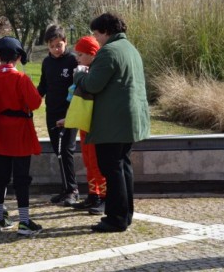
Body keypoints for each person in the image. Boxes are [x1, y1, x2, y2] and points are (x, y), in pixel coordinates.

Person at [74, 13, 150, 233]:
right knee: (123, 166)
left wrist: (79, 76)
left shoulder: (109, 52)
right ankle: (126, 214)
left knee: (111, 168)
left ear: (106, 31)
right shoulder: (130, 49)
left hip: (112, 122)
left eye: (97, 34)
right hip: (130, 119)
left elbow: (93, 84)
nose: (96, 39)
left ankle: (116, 218)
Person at [0, 37, 43, 236]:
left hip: (0, 130)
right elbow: (35, 103)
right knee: (21, 178)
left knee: (0, 176)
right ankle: (24, 221)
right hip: (20, 132)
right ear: (18, 57)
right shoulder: (22, 79)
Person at [57, 36, 107, 215]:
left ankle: (104, 197)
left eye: (81, 54)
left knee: (96, 162)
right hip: (86, 125)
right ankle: (94, 194)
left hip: (95, 126)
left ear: (92, 54)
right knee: (88, 160)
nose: (77, 58)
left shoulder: (96, 73)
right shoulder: (85, 71)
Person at [37, 24, 80, 206]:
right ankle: (65, 188)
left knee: (66, 150)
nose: (56, 49)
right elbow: (43, 86)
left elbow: (78, 88)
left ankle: (73, 190)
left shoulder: (72, 61)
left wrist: (71, 113)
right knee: (58, 151)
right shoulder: (46, 62)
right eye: (52, 46)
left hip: (68, 113)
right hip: (51, 112)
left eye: (59, 45)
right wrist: (31, 99)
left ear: (65, 42)